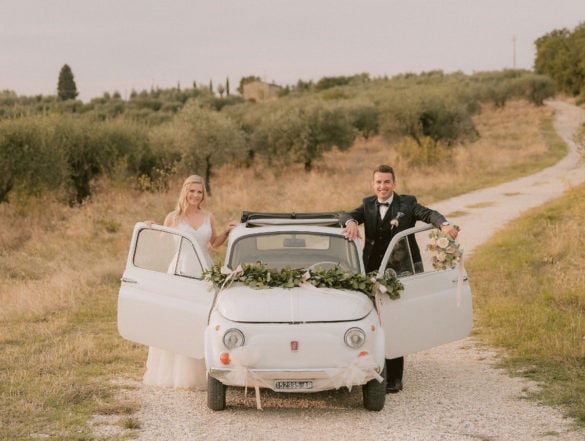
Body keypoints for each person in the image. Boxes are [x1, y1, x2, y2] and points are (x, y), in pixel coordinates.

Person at [340, 164, 459, 394]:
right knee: (373, 322)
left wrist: (443, 224)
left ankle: (395, 379)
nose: (382, 186)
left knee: (395, 323)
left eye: (386, 182)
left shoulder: (407, 204)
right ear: (373, 184)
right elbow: (344, 215)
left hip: (401, 272)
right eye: (378, 182)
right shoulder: (367, 204)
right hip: (372, 272)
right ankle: (371, 373)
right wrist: (351, 222)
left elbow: (429, 214)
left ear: (394, 184)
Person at [143, 174, 238, 390]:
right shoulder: (173, 218)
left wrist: (225, 231)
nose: (195, 195)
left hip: (203, 270)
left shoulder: (208, 217)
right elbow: (162, 243)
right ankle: (178, 374)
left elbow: (213, 244)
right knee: (177, 316)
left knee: (204, 317)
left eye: (199, 192)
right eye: (192, 191)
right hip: (180, 270)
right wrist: (150, 227)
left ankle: (206, 370)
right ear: (185, 192)